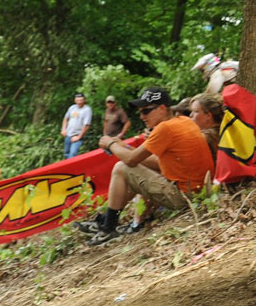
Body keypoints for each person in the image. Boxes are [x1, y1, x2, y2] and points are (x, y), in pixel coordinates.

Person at [83, 87, 213, 246]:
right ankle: (106, 220)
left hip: (185, 197)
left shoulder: (165, 128)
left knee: (121, 168)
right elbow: (154, 161)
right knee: (132, 171)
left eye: (146, 111)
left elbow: (131, 160)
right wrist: (125, 146)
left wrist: (111, 144)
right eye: (140, 112)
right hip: (198, 193)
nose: (142, 116)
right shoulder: (183, 121)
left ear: (162, 108)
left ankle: (108, 228)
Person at [189, 92, 224, 161]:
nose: (190, 115)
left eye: (195, 111)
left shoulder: (205, 137)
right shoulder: (225, 130)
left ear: (208, 115)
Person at [60, 92, 92, 159]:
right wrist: (63, 129)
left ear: (84, 100)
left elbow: (87, 125)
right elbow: (66, 118)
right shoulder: (72, 107)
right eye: (77, 100)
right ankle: (67, 166)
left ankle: (71, 166)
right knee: (66, 154)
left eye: (81, 100)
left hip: (77, 136)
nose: (79, 102)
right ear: (75, 100)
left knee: (72, 155)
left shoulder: (87, 110)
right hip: (68, 135)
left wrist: (79, 137)